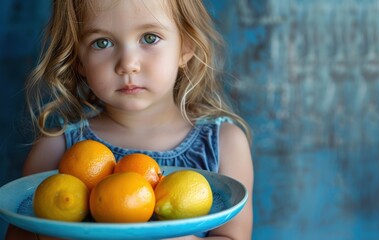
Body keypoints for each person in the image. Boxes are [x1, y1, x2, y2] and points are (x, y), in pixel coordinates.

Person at [6, 0, 253, 239]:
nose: (127, 64)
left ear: (186, 46)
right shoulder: (56, 148)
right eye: (102, 42)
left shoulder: (226, 144)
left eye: (149, 38)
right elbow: (22, 232)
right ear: (78, 58)